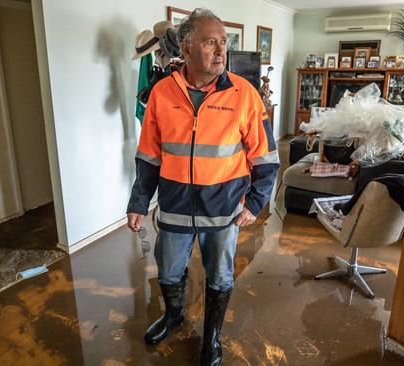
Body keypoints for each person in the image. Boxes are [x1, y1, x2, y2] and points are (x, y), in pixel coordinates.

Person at [126, 8, 279, 366]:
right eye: (211, 41)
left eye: (223, 42)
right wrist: (138, 202)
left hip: (224, 209)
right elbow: (148, 156)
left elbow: (266, 159)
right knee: (168, 270)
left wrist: (254, 204)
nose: (220, 50)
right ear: (187, 46)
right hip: (175, 205)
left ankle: (211, 337)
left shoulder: (245, 94)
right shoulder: (162, 93)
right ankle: (174, 315)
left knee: (220, 275)